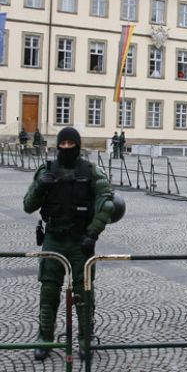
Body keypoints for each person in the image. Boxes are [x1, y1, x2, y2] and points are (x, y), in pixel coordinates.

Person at [23, 127, 115, 361]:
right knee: (49, 291)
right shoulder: (46, 171)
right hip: (53, 238)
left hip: (80, 240)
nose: (65, 148)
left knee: (84, 292)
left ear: (77, 145)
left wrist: (92, 234)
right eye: (62, 144)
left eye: (70, 144)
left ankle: (85, 340)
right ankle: (45, 338)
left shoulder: (91, 171)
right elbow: (28, 205)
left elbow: (106, 203)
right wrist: (40, 187)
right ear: (57, 145)